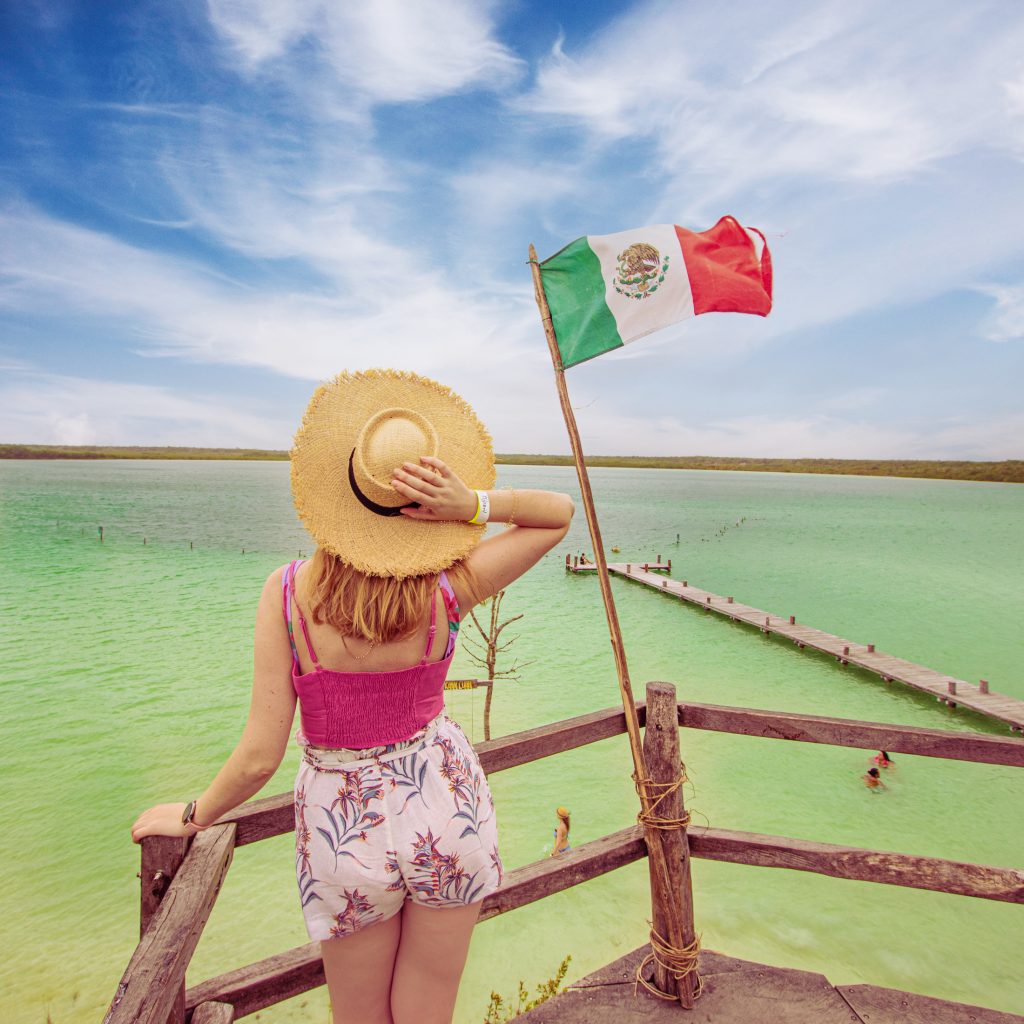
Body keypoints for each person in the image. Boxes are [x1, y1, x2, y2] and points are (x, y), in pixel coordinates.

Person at [130, 369, 575, 1024]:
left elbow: (259, 757)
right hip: (446, 809)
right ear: (424, 504)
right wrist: (473, 504)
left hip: (345, 828)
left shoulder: (287, 596)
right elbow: (558, 515)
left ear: (335, 495)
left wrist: (194, 814)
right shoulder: (448, 590)